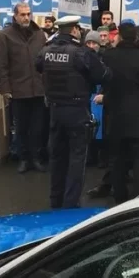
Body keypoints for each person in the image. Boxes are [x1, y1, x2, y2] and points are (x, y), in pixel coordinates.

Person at [36, 17, 111, 208]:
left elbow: (38, 66)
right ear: (75, 30)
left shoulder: (46, 50)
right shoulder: (80, 53)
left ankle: (55, 201)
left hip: (54, 110)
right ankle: (70, 205)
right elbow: (103, 75)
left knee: (57, 157)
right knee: (77, 159)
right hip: (77, 110)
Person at [99, 22, 139, 203]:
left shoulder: (109, 56)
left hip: (115, 116)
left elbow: (105, 83)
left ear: (118, 35)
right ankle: (138, 199)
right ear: (135, 37)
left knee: (117, 159)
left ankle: (119, 198)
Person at [0, 2, 48, 172]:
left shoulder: (40, 34)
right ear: (15, 16)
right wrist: (5, 89)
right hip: (18, 89)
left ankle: (36, 157)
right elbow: (2, 65)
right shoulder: (5, 36)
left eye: (28, 14)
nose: (26, 17)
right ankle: (24, 158)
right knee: (21, 127)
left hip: (38, 88)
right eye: (23, 14)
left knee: (37, 127)